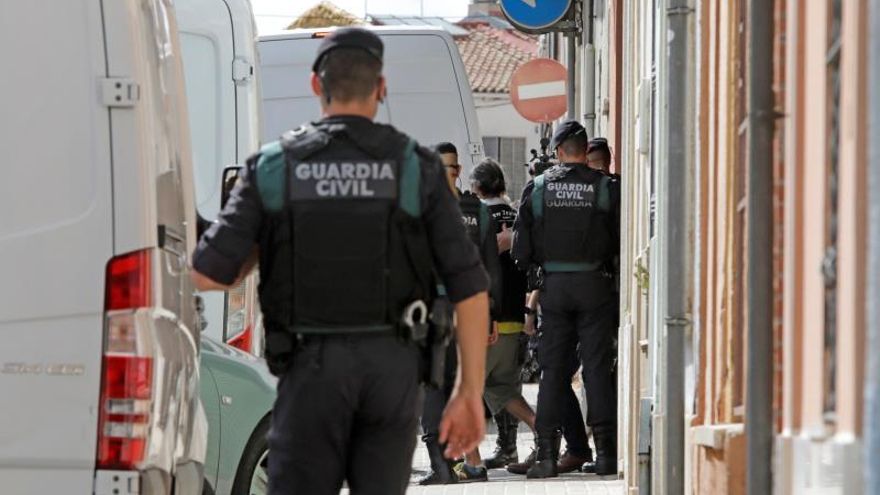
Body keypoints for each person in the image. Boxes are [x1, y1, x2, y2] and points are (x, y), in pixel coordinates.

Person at [189, 28, 489, 495]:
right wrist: (468, 392)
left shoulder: (274, 167)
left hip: (310, 368)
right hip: (392, 371)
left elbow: (209, 272)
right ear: (381, 88)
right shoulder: (417, 168)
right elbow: (470, 287)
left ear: (316, 86)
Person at [512, 120, 621, 478]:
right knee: (596, 371)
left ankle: (545, 457)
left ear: (558, 152)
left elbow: (520, 251)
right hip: (596, 286)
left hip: (556, 288)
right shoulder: (606, 187)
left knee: (553, 372)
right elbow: (620, 239)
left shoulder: (539, 188)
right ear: (585, 148)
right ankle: (606, 455)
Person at [418, 143, 500, 486]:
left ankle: (442, 466)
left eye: (450, 168)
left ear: (459, 170)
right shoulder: (476, 211)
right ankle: (467, 462)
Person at [455, 159, 538, 481]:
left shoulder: (476, 217)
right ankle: (542, 431)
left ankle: (469, 459)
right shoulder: (517, 217)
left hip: (487, 318)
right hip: (515, 319)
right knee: (500, 388)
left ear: (475, 187)